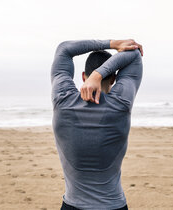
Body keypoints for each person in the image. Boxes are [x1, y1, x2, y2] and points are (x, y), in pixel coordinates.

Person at [50, 39, 143, 210]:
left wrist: (113, 43)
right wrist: (99, 75)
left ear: (83, 76)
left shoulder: (62, 100)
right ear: (114, 79)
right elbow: (135, 54)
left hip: (72, 205)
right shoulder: (121, 103)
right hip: (113, 206)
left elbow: (64, 49)